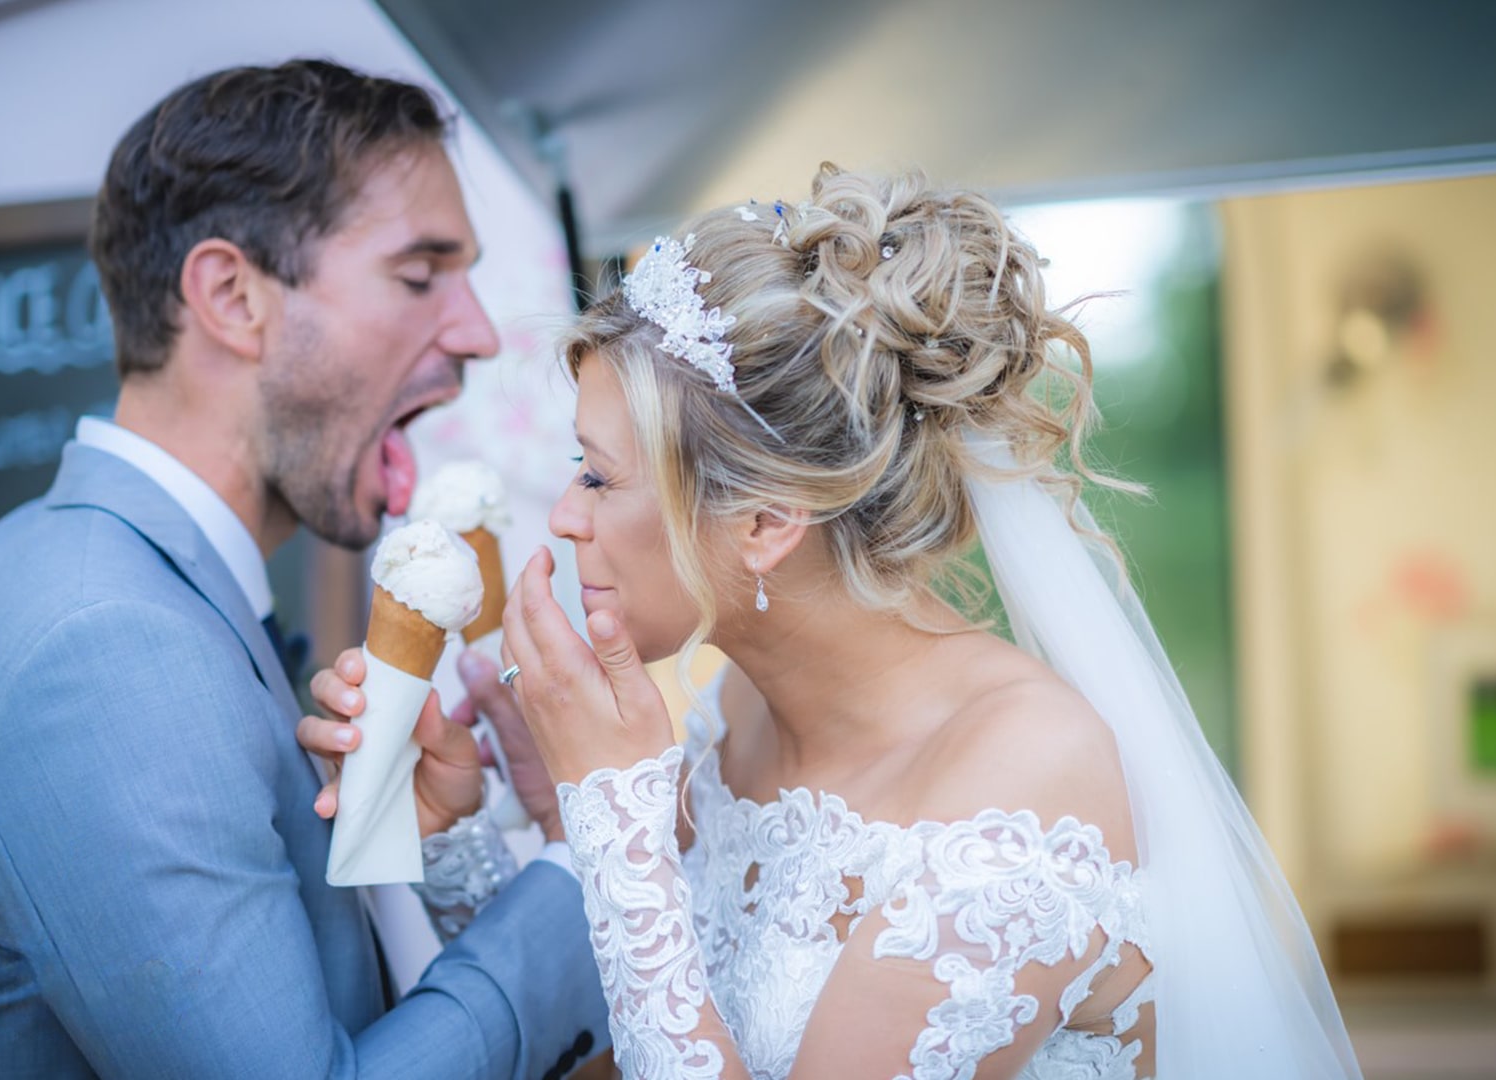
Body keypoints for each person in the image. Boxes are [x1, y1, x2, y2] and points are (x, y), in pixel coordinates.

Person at [315, 165, 1363, 1077]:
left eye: (598, 475)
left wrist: (614, 816)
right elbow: (629, 1042)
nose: (565, 516)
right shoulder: (741, 714)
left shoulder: (1026, 781)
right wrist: (464, 843)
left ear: (768, 522)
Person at [0, 60, 607, 1079]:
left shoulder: (131, 585)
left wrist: (402, 842)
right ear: (232, 297)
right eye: (421, 275)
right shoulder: (106, 650)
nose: (474, 330)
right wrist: (581, 870)